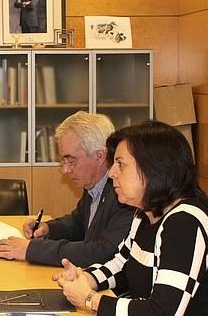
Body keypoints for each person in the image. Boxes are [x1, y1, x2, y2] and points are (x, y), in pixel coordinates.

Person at [53, 121, 208, 315]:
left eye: (121, 164)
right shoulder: (143, 214)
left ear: (154, 168)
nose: (111, 173)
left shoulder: (185, 222)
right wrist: (85, 278)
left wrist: (91, 300)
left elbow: (164, 311)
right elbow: (121, 265)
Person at [0, 111, 135, 267]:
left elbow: (103, 252)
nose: (65, 170)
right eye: (63, 161)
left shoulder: (124, 193)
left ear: (99, 156)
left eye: (72, 161)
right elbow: (79, 222)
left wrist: (31, 249)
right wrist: (48, 228)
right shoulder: (93, 183)